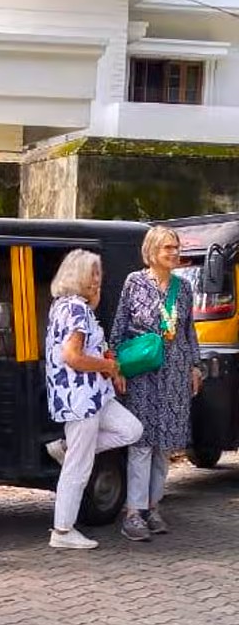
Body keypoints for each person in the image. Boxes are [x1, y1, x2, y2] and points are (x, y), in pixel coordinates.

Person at [44, 249, 142, 549]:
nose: (97, 281)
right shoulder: (76, 310)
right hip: (82, 395)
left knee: (131, 429)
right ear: (77, 277)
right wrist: (108, 366)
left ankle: (65, 448)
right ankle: (62, 531)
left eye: (98, 275)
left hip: (92, 395)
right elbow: (72, 357)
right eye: (92, 276)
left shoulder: (65, 306)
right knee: (79, 466)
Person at [110, 226, 202, 542]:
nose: (174, 253)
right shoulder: (134, 283)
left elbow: (190, 331)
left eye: (176, 247)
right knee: (142, 443)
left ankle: (153, 507)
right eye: (168, 248)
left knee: (164, 446)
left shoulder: (184, 288)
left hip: (175, 374)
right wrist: (115, 366)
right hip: (144, 374)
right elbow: (120, 325)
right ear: (152, 251)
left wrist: (195, 366)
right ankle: (133, 513)